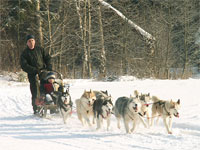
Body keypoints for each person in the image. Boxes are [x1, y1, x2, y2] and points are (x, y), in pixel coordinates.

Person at [20, 35, 52, 114]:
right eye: (29, 41)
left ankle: (51, 105)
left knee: (48, 88)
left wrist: (49, 67)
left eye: (32, 40)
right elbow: (24, 65)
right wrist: (35, 71)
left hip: (43, 72)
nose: (31, 42)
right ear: (27, 43)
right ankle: (36, 108)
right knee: (35, 91)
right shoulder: (25, 53)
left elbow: (47, 58)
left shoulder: (40, 49)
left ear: (35, 41)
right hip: (32, 74)